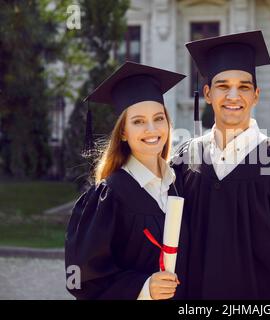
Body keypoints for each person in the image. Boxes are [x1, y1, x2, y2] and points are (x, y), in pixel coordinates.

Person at [171, 30, 270, 300]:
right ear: (208, 93)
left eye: (244, 87)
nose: (233, 95)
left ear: (255, 95)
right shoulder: (185, 159)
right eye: (223, 86)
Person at [65, 62, 188, 299]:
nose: (152, 129)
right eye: (138, 121)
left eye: (158, 118)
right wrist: (143, 288)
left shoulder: (178, 183)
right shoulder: (108, 195)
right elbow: (80, 279)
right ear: (123, 132)